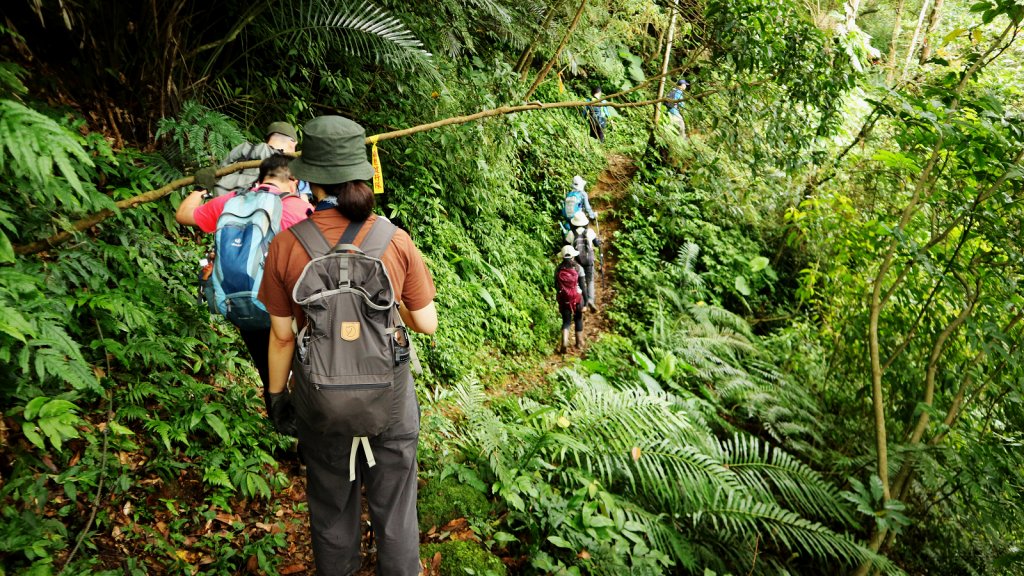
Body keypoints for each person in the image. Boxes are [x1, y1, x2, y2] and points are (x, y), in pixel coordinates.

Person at [258, 115, 437, 576]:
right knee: (396, 511)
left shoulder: (286, 244)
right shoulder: (394, 240)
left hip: (320, 403)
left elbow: (281, 335)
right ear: (362, 172)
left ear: (309, 180)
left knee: (332, 510)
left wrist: (277, 397)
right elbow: (426, 323)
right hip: (391, 400)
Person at [175, 154, 312, 410]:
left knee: (269, 370)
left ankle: (279, 415)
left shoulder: (233, 202)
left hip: (244, 303)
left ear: (261, 177)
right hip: (288, 308)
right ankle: (305, 434)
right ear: (293, 181)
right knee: (303, 371)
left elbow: (183, 215)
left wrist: (201, 188)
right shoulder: (298, 209)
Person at [194, 121, 300, 197]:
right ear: (292, 142)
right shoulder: (289, 165)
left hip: (222, 209)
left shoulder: (246, 149)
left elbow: (219, 171)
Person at [565, 211, 601, 312]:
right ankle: (590, 300)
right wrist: (599, 242)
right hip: (589, 260)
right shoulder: (590, 232)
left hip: (576, 261)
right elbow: (597, 244)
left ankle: (582, 303)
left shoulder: (571, 233)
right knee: (590, 281)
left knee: (579, 282)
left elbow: (566, 246)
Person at [555, 244, 586, 353]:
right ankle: (579, 343)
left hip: (564, 298)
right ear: (573, 256)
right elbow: (583, 286)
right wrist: (585, 302)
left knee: (566, 321)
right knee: (578, 318)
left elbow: (556, 286)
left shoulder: (558, 269)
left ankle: (564, 340)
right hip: (577, 298)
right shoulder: (578, 268)